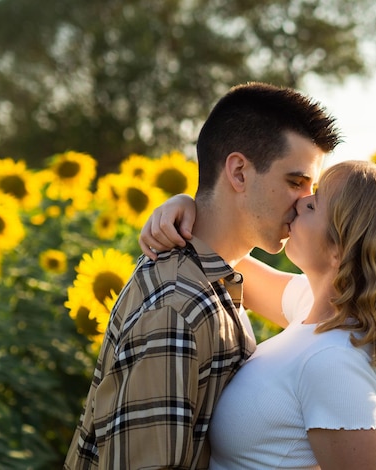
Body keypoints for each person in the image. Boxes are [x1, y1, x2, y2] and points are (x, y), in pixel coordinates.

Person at [64, 82, 341, 469]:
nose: (304, 202)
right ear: (239, 172)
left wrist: (185, 207)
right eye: (295, 182)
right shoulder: (178, 309)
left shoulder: (215, 278)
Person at [140, 160, 376, 469]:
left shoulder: (335, 362)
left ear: (341, 248)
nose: (299, 202)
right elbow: (225, 262)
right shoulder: (311, 307)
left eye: (314, 204)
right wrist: (187, 207)